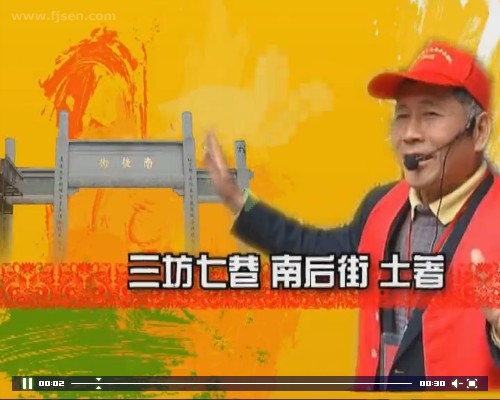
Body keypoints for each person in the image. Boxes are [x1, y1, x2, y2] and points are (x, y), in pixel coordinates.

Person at [203, 40, 500, 388]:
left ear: (479, 131)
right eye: (402, 116)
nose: (409, 134)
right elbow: (314, 254)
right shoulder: (381, 206)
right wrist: (239, 201)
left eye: (430, 115)